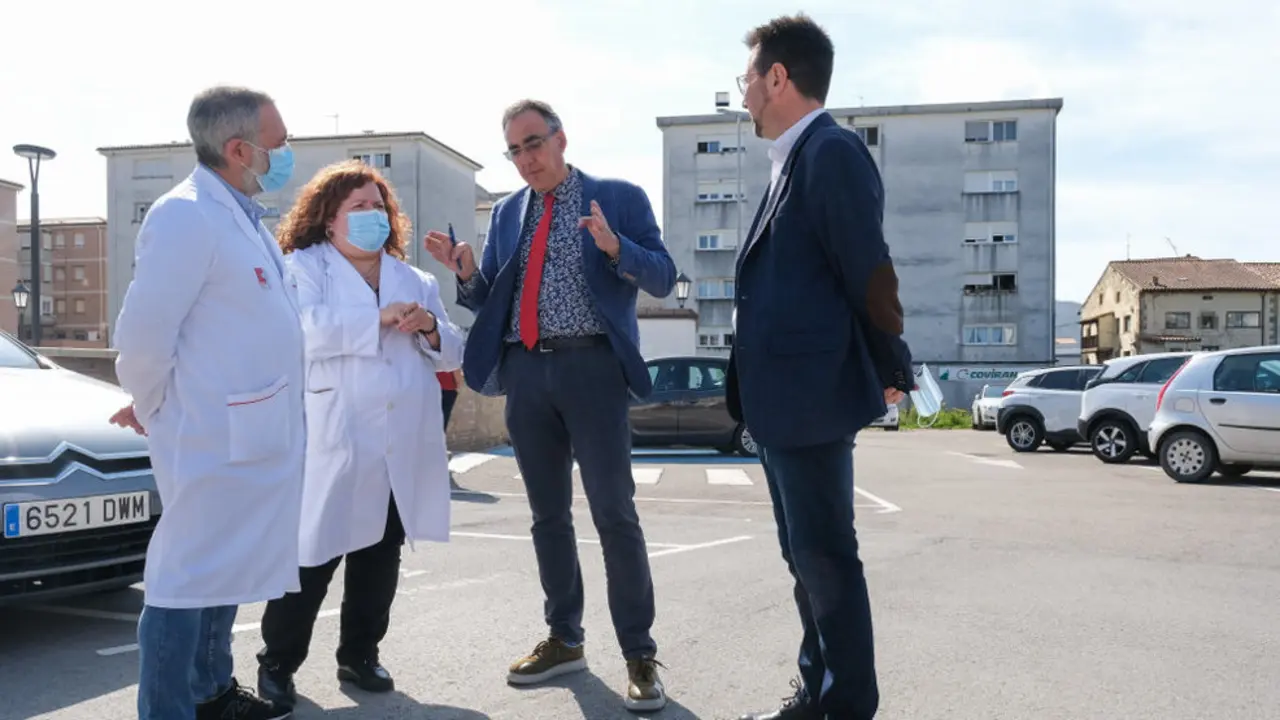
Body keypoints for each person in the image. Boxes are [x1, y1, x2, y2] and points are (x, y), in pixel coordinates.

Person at [423, 99, 676, 713]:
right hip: (526, 372)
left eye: (533, 143)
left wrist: (617, 248)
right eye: (513, 150)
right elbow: (493, 298)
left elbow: (665, 277)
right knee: (547, 517)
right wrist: (464, 274)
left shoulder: (616, 196)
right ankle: (565, 638)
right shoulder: (508, 213)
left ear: (561, 138)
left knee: (615, 514)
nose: (525, 159)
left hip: (593, 369)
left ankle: (639, 653)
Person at [726, 15, 914, 720]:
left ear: (778, 77)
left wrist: (891, 361)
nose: (743, 92)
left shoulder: (831, 153)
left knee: (827, 559)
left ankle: (846, 707)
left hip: (810, 397)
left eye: (747, 78)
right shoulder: (792, 162)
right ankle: (818, 691)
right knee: (804, 559)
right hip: (782, 402)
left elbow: (868, 268)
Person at [109, 85, 302, 720]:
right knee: (183, 580)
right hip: (208, 435)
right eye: (277, 144)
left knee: (225, 570)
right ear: (239, 148)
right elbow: (142, 336)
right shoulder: (184, 214)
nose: (285, 153)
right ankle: (168, 708)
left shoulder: (243, 219)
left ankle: (211, 692)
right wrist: (154, 403)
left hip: (248, 430)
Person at [253, 160, 464, 709]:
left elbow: (453, 349)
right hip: (335, 432)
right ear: (328, 220)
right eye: (358, 207)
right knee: (313, 554)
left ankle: (359, 654)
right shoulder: (302, 268)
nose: (372, 216)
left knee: (381, 553)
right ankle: (277, 663)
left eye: (378, 206)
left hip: (399, 434)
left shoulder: (413, 278)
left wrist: (431, 327)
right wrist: (377, 319)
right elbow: (299, 332)